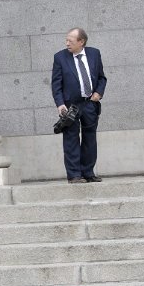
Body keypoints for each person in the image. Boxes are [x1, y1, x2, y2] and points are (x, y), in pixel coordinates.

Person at [51, 27, 107, 184]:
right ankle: (74, 175)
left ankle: (88, 172)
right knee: (71, 139)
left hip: (90, 103)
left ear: (81, 42)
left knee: (90, 139)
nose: (67, 43)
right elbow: (56, 84)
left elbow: (102, 78)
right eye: (66, 40)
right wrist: (60, 104)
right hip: (71, 106)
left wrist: (98, 93)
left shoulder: (94, 54)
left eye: (70, 40)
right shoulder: (60, 57)